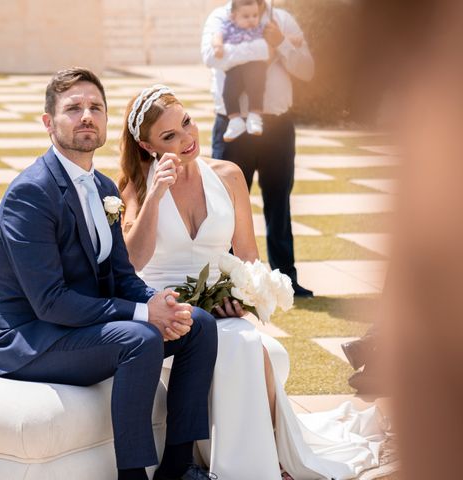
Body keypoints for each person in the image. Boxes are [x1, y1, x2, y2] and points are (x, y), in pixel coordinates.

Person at [119, 84, 386, 479]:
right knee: (244, 346)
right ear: (147, 146)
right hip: (169, 316)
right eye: (169, 137)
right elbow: (131, 262)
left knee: (245, 340)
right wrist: (157, 194)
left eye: (187, 123)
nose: (187, 139)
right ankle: (260, 467)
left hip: (217, 307)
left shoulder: (228, 175)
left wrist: (243, 295)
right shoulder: (137, 187)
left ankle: (258, 463)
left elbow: (247, 257)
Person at [0, 68, 219, 480]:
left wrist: (160, 303)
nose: (86, 116)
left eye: (95, 107)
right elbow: (49, 302)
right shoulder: (30, 194)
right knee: (138, 337)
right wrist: (141, 315)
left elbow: (121, 274)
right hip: (29, 337)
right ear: (49, 123)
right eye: (73, 108)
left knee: (198, 324)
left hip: (80, 326)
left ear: (104, 120)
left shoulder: (104, 188)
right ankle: (132, 474)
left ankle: (178, 468)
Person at [202, 0, 315, 297]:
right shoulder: (218, 19)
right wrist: (263, 49)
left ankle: (285, 279)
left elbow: (307, 71)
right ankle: (222, 284)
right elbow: (213, 58)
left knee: (279, 202)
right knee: (225, 206)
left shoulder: (283, 20)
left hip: (277, 127)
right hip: (233, 128)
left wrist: (282, 45)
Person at [213, 0, 269, 140]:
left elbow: (275, 38)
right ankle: (235, 121)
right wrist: (218, 46)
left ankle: (255, 117)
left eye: (255, 15)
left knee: (256, 89)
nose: (251, 20)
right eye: (246, 16)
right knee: (228, 93)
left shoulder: (260, 28)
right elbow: (217, 35)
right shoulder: (229, 27)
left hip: (255, 67)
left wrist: (292, 39)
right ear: (234, 17)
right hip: (235, 68)